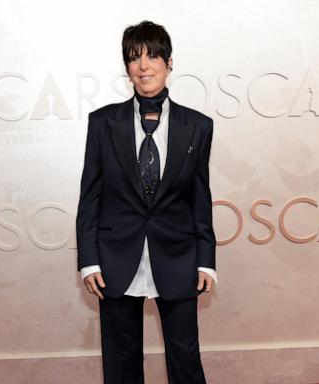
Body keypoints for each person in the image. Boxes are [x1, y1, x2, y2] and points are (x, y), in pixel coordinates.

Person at [76, 20, 217, 384]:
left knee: (185, 359)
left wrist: (206, 259)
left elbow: (200, 195)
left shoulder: (198, 126)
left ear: (169, 63)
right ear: (126, 69)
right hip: (115, 258)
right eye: (133, 59)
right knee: (121, 363)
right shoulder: (102, 122)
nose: (143, 66)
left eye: (152, 56)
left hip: (178, 255)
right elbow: (90, 194)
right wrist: (88, 261)